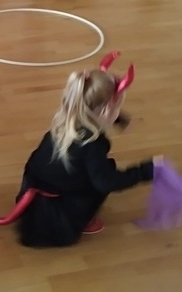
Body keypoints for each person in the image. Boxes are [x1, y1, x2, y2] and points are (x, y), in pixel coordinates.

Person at [14, 53, 160, 247]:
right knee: (103, 174)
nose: (117, 112)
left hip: (34, 193)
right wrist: (147, 170)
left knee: (94, 169)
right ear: (105, 111)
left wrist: (119, 119)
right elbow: (107, 183)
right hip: (55, 217)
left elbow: (96, 112)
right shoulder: (92, 145)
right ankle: (81, 220)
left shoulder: (65, 122)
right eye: (116, 109)